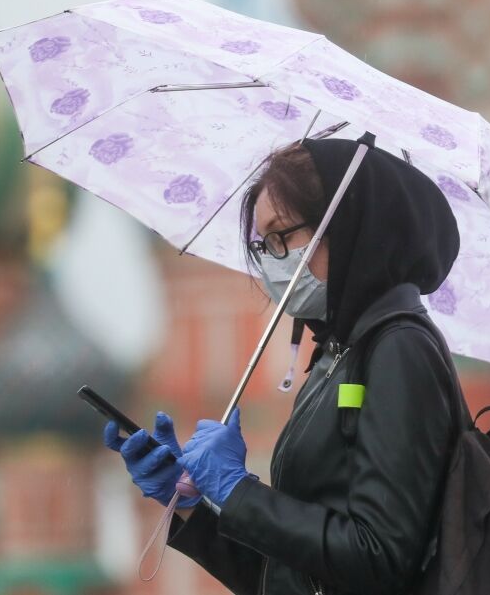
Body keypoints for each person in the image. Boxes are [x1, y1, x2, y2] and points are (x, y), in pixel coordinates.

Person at [103, 138, 463, 595]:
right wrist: (191, 503)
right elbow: (291, 579)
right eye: (263, 245)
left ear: (346, 226)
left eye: (281, 237)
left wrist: (238, 492)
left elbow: (381, 557)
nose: (272, 260)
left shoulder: (398, 348)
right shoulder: (337, 356)